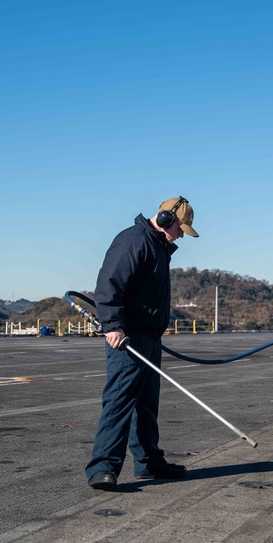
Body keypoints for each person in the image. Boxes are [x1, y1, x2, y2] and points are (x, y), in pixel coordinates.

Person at [85, 196, 199, 491]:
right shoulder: (133, 240)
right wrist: (112, 325)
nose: (180, 236)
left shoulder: (159, 247)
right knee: (120, 401)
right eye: (180, 229)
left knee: (146, 405)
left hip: (150, 337)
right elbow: (109, 284)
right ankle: (102, 468)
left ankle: (148, 462)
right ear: (164, 220)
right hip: (128, 338)